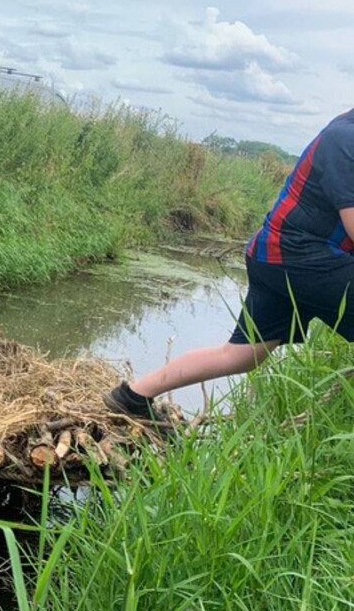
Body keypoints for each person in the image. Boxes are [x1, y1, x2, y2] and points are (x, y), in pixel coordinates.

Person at [104, 108, 354, 423]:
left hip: (277, 257)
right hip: (298, 256)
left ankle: (132, 396)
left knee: (242, 355)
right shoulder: (344, 139)